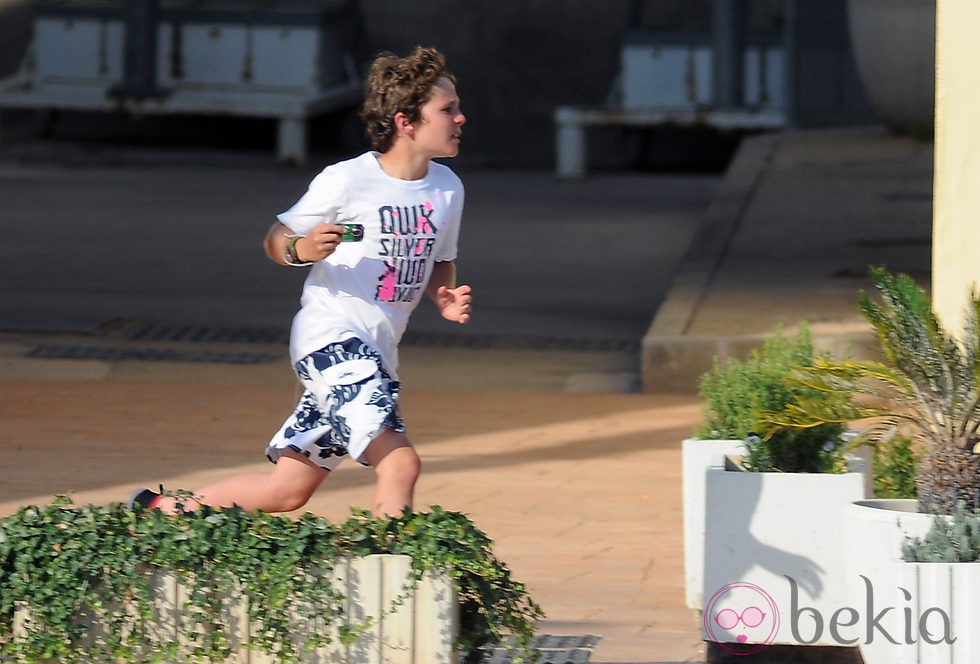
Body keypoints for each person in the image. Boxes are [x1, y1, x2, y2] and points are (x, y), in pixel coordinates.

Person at [130, 46, 471, 517]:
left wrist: (444, 295)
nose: (461, 117)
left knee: (287, 490)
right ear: (405, 122)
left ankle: (161, 510)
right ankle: (386, 578)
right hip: (331, 340)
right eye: (447, 109)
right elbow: (277, 239)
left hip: (377, 350)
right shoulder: (347, 179)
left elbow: (439, 261)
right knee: (400, 462)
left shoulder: (448, 188)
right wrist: (302, 250)